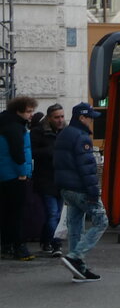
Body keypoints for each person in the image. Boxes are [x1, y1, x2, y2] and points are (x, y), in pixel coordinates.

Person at [54, 102, 107, 281]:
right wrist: (94, 192)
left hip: (67, 188)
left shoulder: (64, 134)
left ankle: (79, 269)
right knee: (101, 220)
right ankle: (75, 257)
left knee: (76, 226)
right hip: (81, 188)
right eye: (90, 117)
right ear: (82, 118)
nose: (92, 121)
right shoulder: (81, 137)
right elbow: (87, 168)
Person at [0, 94, 37, 261]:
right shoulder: (15, 127)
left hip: (5, 174)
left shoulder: (5, 122)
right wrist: (23, 173)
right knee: (17, 213)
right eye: (28, 111)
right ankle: (19, 247)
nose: (31, 115)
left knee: (7, 213)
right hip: (15, 176)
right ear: (18, 111)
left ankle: (6, 245)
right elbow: (17, 152)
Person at [31, 102, 66, 257]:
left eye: (62, 116)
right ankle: (55, 243)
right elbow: (31, 152)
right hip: (45, 179)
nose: (60, 120)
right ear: (49, 118)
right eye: (56, 117)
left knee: (57, 214)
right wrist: (50, 151)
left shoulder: (65, 131)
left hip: (60, 179)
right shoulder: (39, 132)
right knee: (53, 213)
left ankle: (47, 241)